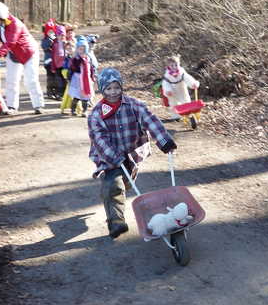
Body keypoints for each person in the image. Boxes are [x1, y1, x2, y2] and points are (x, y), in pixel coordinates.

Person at [88, 68, 177, 239]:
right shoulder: (97, 114)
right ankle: (116, 222)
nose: (113, 92)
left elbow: (150, 120)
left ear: (121, 87)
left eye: (116, 87)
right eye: (108, 88)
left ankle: (120, 192)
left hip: (132, 154)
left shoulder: (134, 105)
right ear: (102, 90)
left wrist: (164, 141)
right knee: (112, 185)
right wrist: (113, 157)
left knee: (127, 184)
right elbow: (98, 138)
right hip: (110, 158)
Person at [0, 1, 44, 114]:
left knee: (31, 80)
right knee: (11, 81)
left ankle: (38, 105)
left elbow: (11, 42)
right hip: (13, 54)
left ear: (0, 17)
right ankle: (12, 107)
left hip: (28, 53)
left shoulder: (15, 23)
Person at [161, 54, 200, 121]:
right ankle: (176, 116)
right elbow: (165, 84)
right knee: (174, 103)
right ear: (168, 66)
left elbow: (187, 78)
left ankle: (189, 115)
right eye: (172, 65)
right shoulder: (167, 76)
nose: (174, 67)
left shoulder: (181, 72)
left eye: (176, 65)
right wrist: (168, 90)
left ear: (179, 64)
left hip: (182, 89)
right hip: (172, 91)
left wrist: (193, 83)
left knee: (186, 101)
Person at [62, 39, 95, 116]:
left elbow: (91, 68)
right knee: (76, 97)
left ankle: (84, 111)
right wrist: (80, 60)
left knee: (85, 98)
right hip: (77, 79)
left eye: (83, 49)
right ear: (77, 49)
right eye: (80, 49)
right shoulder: (75, 58)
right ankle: (73, 110)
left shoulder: (88, 58)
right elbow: (73, 68)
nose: (81, 51)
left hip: (86, 80)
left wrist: (92, 77)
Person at [41, 20, 58, 99]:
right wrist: (50, 42)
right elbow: (45, 47)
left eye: (52, 31)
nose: (51, 33)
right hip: (48, 61)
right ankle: (49, 91)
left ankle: (55, 91)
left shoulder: (55, 38)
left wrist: (55, 40)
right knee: (50, 77)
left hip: (55, 62)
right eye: (49, 31)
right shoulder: (45, 40)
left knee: (56, 77)